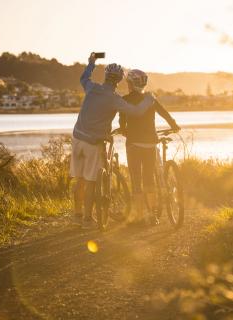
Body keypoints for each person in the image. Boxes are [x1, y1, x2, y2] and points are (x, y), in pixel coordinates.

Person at [70, 53, 155, 229]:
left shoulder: (91, 88)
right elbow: (136, 112)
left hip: (77, 138)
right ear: (118, 81)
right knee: (91, 180)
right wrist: (148, 100)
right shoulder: (115, 99)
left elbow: (84, 77)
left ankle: (77, 215)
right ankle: (87, 220)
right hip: (93, 142)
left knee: (80, 179)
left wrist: (92, 62)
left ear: (106, 76)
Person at [119, 69, 180, 225]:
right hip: (150, 143)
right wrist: (174, 125)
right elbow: (164, 113)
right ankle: (152, 216)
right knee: (148, 180)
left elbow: (122, 123)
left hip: (134, 144)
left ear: (131, 84)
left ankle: (140, 217)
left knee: (136, 180)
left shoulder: (125, 99)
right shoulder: (150, 98)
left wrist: (125, 131)